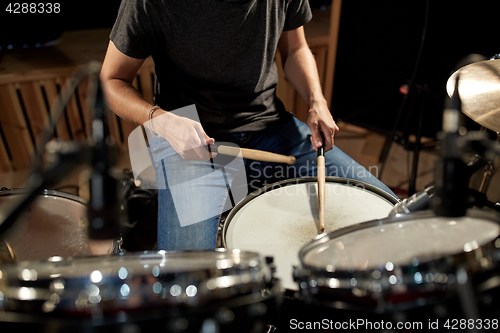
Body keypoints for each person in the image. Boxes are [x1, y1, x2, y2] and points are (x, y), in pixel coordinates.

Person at [100, 0, 396, 251]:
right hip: (190, 140)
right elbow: (111, 81)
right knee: (187, 273)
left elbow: (295, 49)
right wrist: (161, 120)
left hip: (272, 128)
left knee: (391, 216)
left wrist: (317, 100)